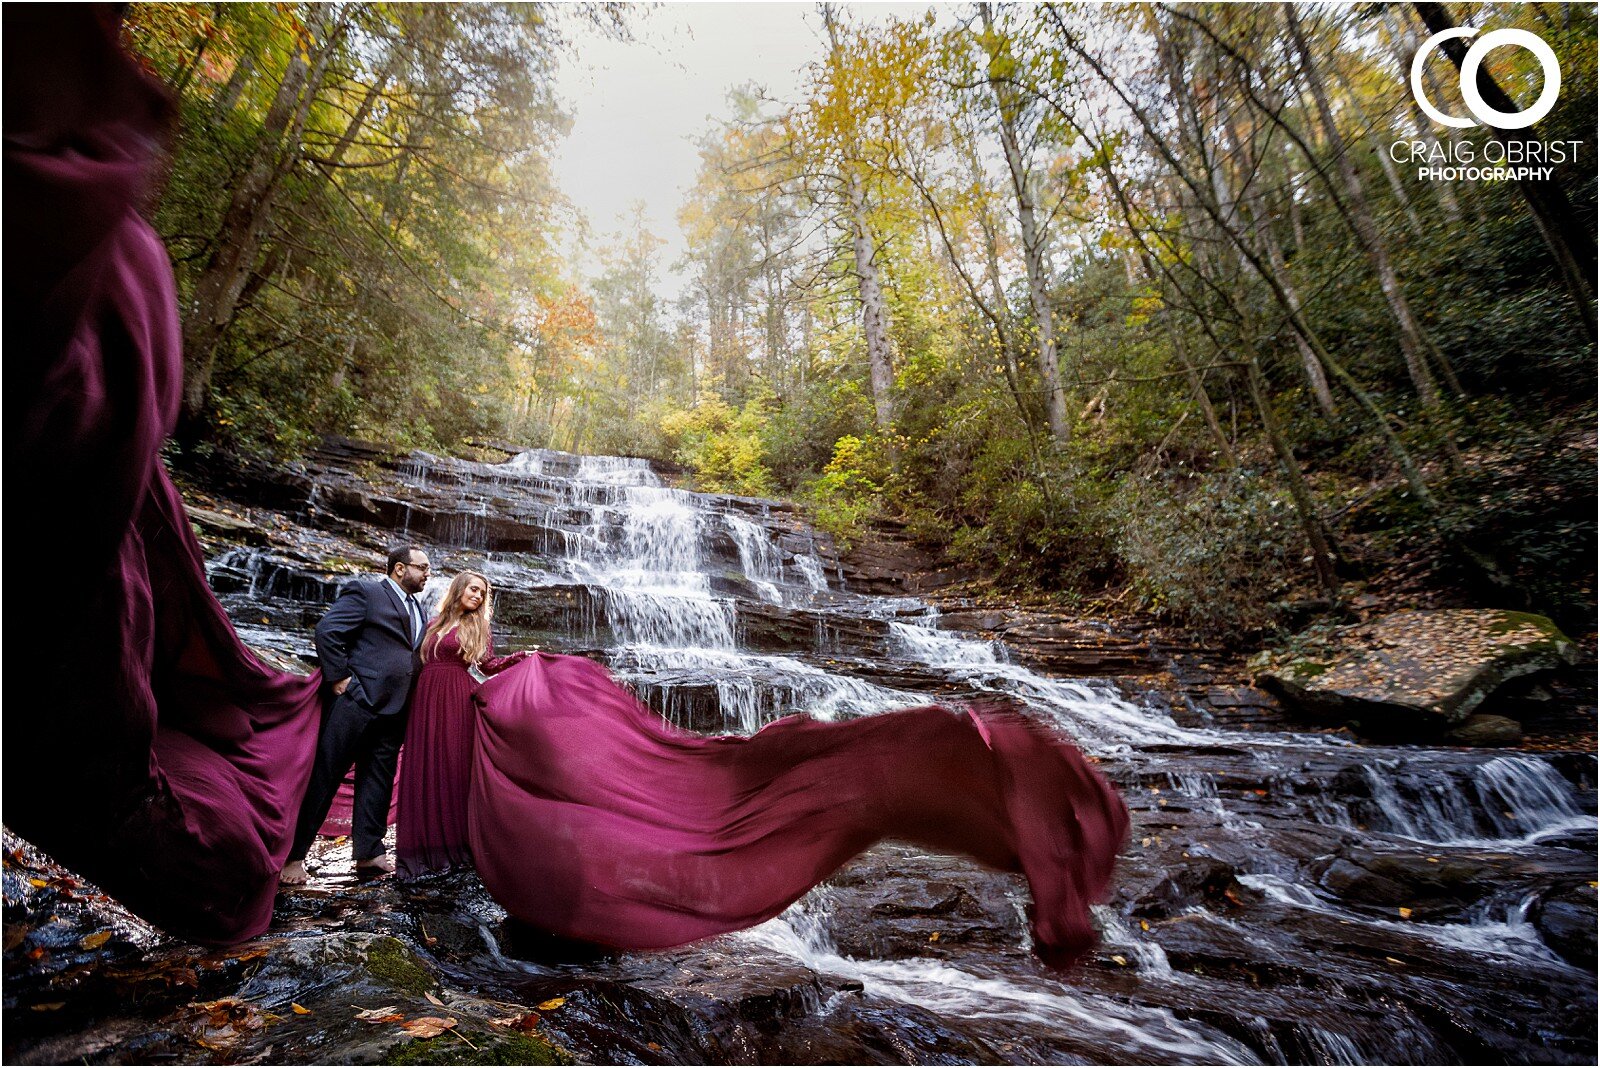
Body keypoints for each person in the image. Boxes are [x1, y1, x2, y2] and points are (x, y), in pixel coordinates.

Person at [281, 546, 432, 884]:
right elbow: (328, 631)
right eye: (422, 568)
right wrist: (341, 679)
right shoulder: (366, 592)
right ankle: (293, 856)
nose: (427, 574)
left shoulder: (419, 607)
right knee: (326, 776)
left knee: (378, 778)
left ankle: (369, 852)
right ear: (398, 569)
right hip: (356, 702)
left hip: (395, 708)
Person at [396, 571, 531, 877]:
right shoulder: (434, 622)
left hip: (456, 698)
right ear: (459, 589)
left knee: (450, 767)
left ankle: (451, 847)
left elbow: (488, 665)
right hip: (425, 698)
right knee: (422, 766)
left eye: (483, 593)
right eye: (474, 589)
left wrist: (522, 658)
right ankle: (417, 849)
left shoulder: (479, 625)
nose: (478, 596)